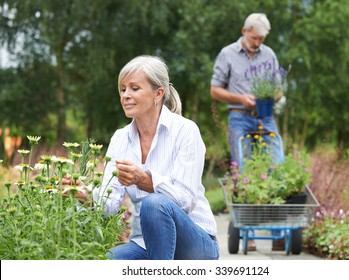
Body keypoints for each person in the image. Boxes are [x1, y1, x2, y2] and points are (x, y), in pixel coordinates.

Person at [64, 55, 219, 260]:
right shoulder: (120, 139)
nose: (126, 95)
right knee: (105, 262)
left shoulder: (186, 131)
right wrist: (86, 195)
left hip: (196, 244)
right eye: (122, 89)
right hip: (145, 244)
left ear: (158, 94)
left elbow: (186, 200)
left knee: (153, 204)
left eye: (134, 88)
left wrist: (146, 180)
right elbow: (110, 204)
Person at [210, 13, 285, 251]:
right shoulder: (227, 54)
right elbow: (214, 90)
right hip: (239, 118)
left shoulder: (269, 54)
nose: (258, 43)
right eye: (254, 38)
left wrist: (271, 96)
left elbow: (278, 89)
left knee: (277, 167)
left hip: (265, 117)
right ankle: (247, 230)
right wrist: (241, 98)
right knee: (242, 170)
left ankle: (277, 228)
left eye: (261, 39)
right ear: (244, 31)